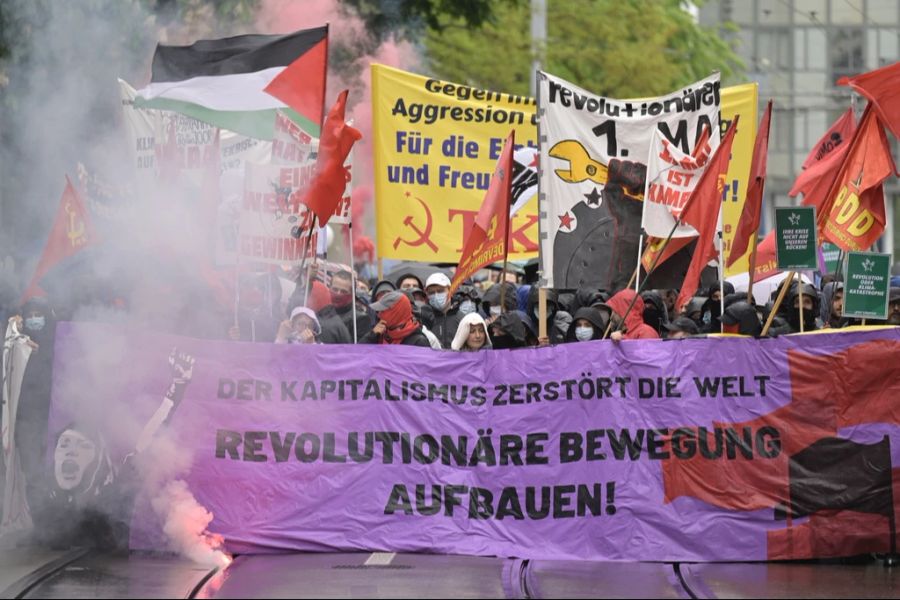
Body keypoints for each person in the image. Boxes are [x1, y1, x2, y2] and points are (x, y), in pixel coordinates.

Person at [34, 350, 194, 549]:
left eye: (82, 446)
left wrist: (177, 387)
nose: (71, 452)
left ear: (97, 459)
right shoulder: (41, 493)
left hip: (106, 566)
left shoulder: (113, 488)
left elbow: (150, 437)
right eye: (64, 445)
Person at [361, 291, 431, 346]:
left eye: (383, 311)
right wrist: (371, 335)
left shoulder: (418, 341)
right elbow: (358, 354)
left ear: (397, 312)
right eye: (378, 311)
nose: (379, 315)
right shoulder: (380, 333)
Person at [330, 269, 374, 342]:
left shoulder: (360, 319)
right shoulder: (322, 313)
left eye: (343, 291)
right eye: (335, 289)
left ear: (352, 294)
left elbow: (360, 349)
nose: (338, 294)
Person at [424, 273, 463, 348]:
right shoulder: (424, 319)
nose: (436, 295)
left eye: (440, 291)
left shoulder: (462, 318)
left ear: (450, 290)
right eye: (431, 293)